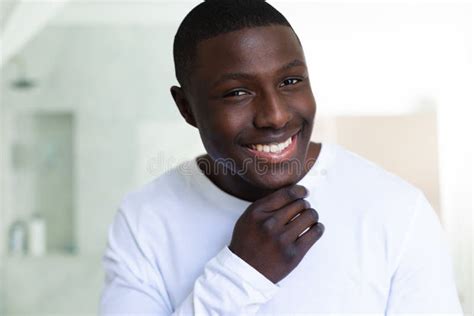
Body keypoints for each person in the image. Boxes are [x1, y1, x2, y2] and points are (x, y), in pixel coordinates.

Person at [99, 0, 463, 315]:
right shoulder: (144, 220)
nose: (274, 115)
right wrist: (243, 274)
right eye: (237, 92)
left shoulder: (396, 210)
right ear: (186, 108)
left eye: (290, 82)